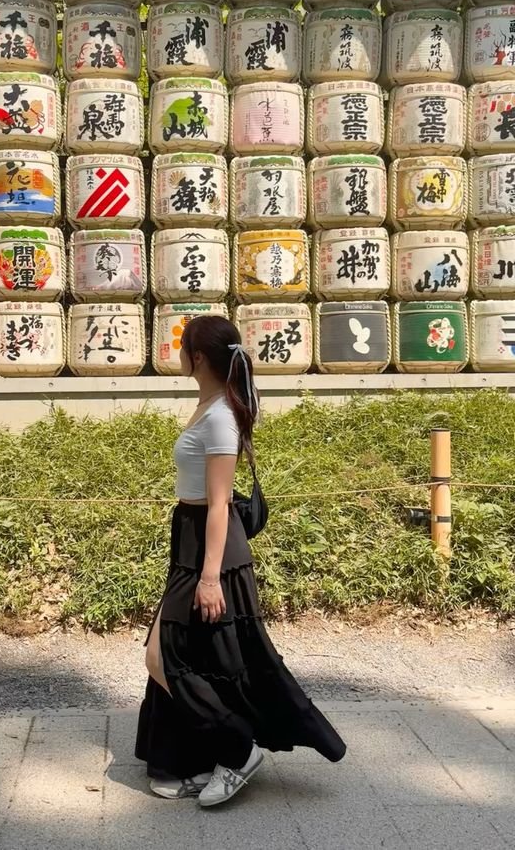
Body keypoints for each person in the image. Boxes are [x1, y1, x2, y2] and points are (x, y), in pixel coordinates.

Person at [135, 315, 346, 807]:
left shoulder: (221, 417)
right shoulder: (208, 404)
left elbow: (219, 504)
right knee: (191, 655)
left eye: (181, 346)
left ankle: (238, 749)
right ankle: (192, 758)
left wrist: (210, 577)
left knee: (162, 654)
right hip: (189, 537)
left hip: (214, 548)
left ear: (199, 358)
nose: (177, 354)